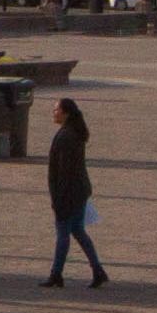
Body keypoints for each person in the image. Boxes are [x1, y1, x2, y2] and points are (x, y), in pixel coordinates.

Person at [42, 96, 105, 287]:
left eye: (56, 109)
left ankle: (56, 274)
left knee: (63, 233)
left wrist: (58, 199)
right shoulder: (73, 132)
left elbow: (63, 172)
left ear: (66, 113)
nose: (54, 112)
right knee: (78, 231)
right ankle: (98, 270)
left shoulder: (65, 136)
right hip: (79, 191)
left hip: (69, 193)